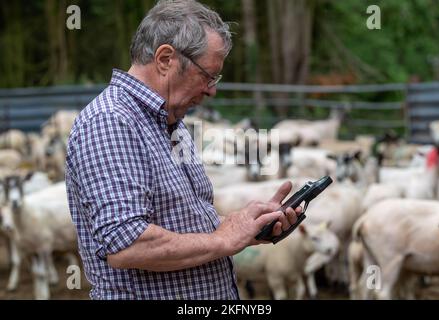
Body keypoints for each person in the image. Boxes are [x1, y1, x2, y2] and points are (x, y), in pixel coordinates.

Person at [65, 0, 302, 300]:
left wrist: (242, 225)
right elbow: (127, 244)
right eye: (207, 75)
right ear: (165, 59)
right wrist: (224, 239)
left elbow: (187, 221)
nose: (212, 89)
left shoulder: (172, 122)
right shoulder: (111, 121)